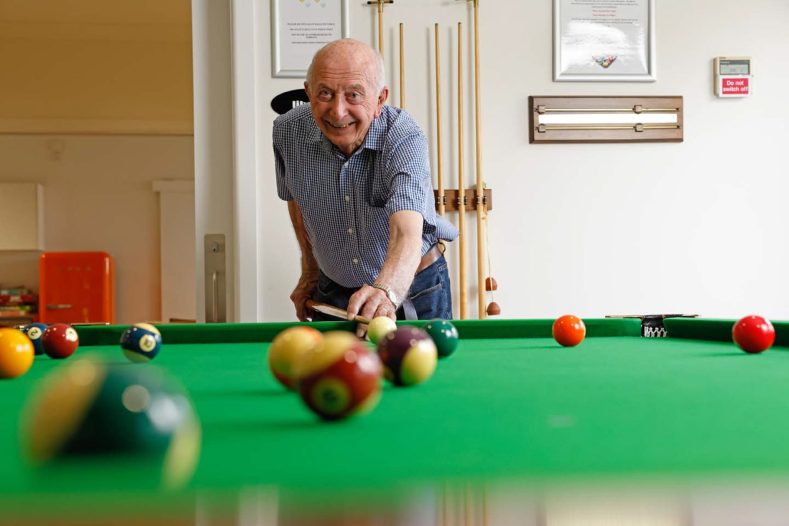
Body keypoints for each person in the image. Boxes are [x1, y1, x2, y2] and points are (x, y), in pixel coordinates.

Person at [273, 38, 458, 328]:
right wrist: (309, 270)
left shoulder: (404, 136)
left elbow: (406, 231)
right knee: (336, 374)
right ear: (308, 92)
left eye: (354, 95)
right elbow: (298, 202)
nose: (338, 111)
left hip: (414, 288)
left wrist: (386, 291)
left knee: (420, 374)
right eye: (325, 93)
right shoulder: (287, 132)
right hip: (333, 289)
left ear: (380, 100)